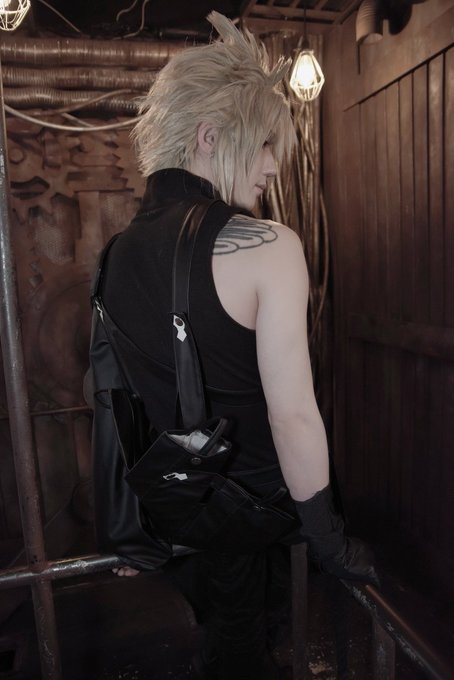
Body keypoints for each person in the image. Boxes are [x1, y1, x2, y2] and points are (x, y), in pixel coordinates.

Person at [92, 11, 377, 679]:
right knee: (253, 645)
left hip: (179, 512)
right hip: (259, 515)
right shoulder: (269, 244)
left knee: (227, 642)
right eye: (265, 144)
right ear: (211, 136)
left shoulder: (115, 253)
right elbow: (292, 414)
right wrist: (329, 538)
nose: (274, 167)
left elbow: (109, 394)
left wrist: (129, 525)